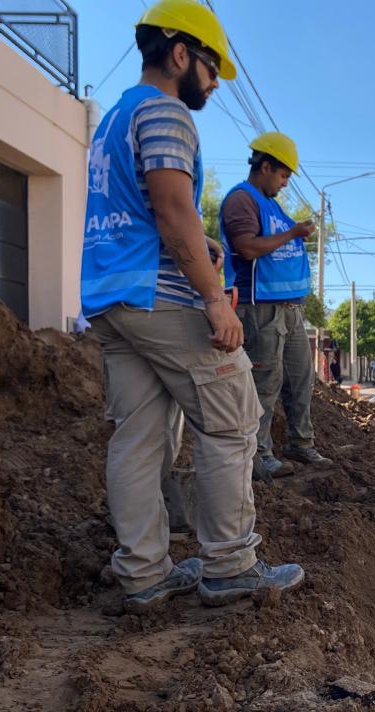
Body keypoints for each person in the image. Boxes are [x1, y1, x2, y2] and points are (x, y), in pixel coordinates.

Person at [80, 0, 305, 613]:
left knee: (139, 437)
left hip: (109, 295)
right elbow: (174, 209)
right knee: (234, 417)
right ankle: (231, 564)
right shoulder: (166, 113)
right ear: (181, 54)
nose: (210, 82)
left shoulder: (113, 119)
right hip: (160, 298)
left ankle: (143, 574)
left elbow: (143, 208)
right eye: (209, 68)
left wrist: (194, 241)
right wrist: (214, 298)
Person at [219, 131, 329, 473]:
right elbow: (248, 247)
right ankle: (258, 455)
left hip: (289, 310)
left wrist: (293, 230)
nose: (284, 184)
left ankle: (300, 444)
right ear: (265, 166)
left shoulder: (270, 203)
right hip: (259, 306)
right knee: (264, 382)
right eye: (282, 175)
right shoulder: (242, 199)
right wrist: (293, 233)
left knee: (300, 380)